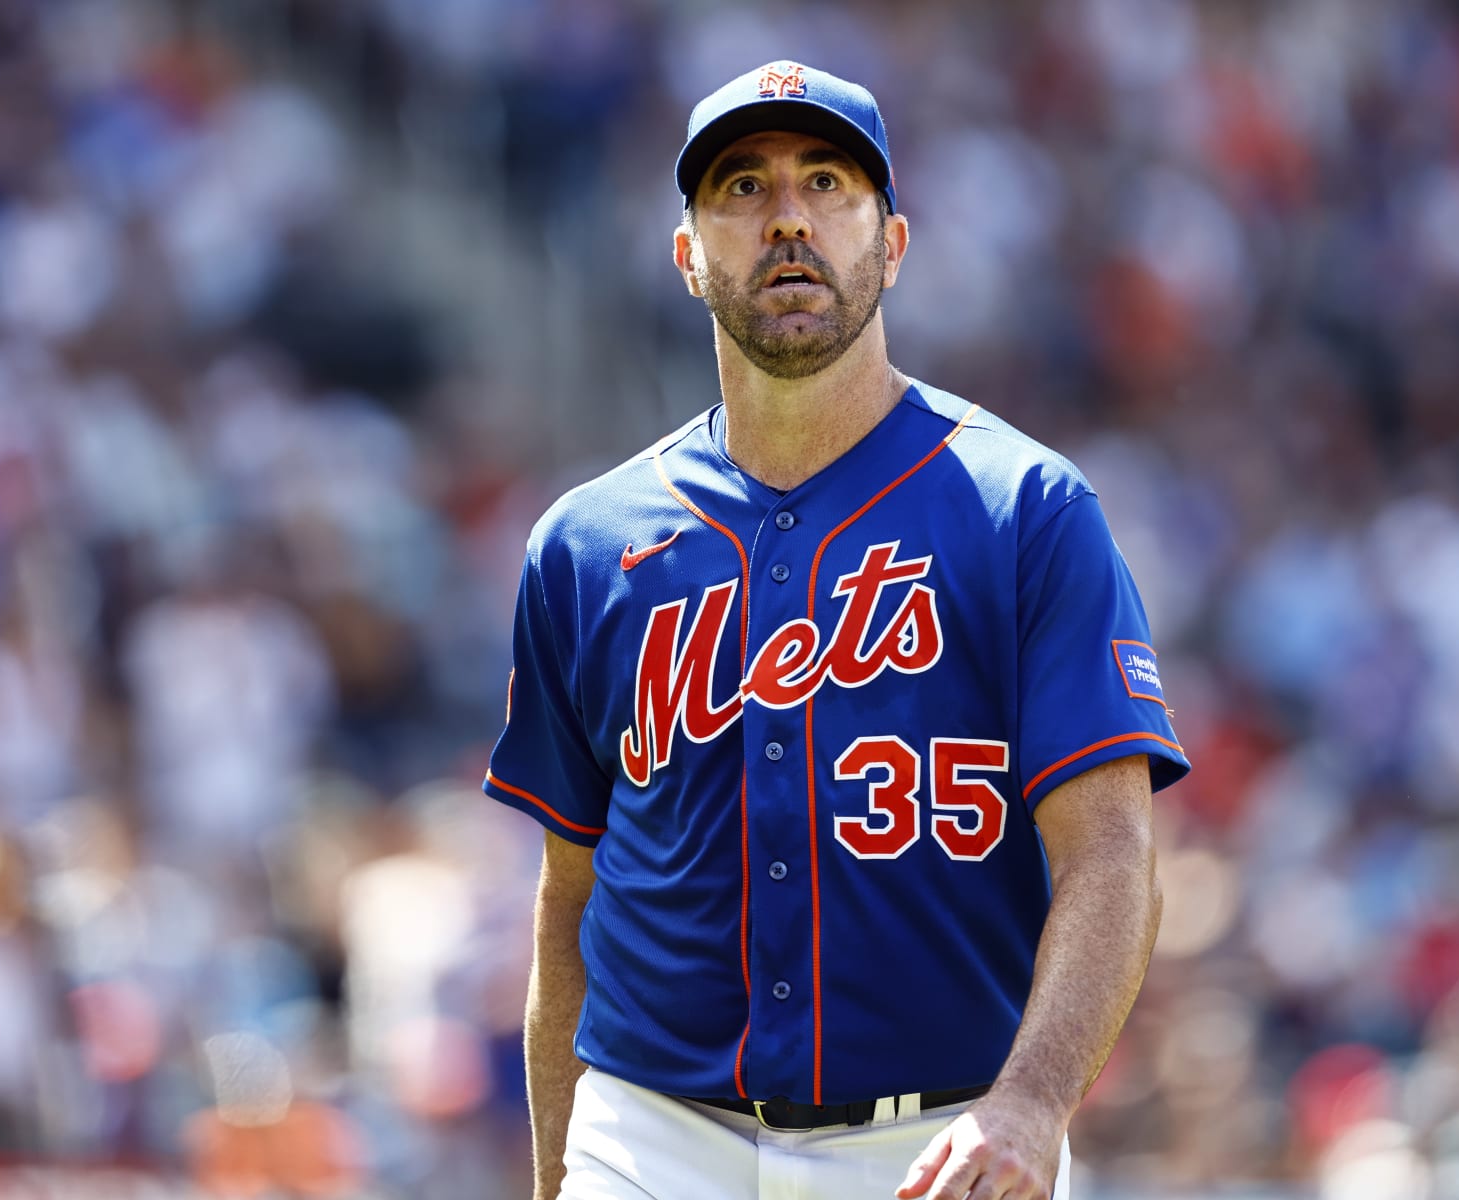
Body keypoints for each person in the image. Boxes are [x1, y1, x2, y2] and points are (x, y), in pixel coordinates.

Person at [483, 60, 1190, 1200]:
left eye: (827, 183)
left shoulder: (1027, 510)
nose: (790, 218)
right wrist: (558, 1174)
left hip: (947, 1137)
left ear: (893, 244)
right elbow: (570, 899)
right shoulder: (583, 542)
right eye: (741, 190)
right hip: (655, 1134)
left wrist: (1034, 1099)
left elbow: (1111, 855)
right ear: (686, 254)